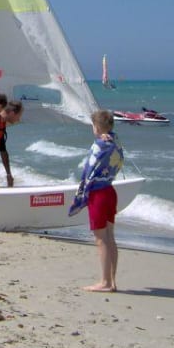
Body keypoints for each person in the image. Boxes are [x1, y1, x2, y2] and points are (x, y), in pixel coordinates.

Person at [68, 109, 124, 292]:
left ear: (97, 127)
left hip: (99, 194)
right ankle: (112, 281)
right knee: (110, 237)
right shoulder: (115, 141)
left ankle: (105, 282)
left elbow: (88, 171)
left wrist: (81, 194)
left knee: (101, 239)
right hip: (110, 190)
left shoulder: (100, 145)